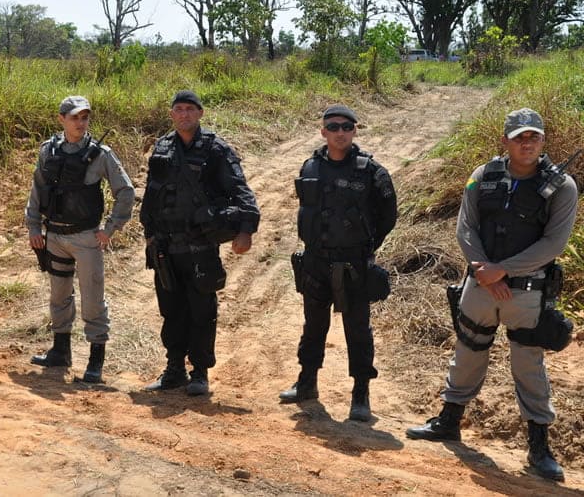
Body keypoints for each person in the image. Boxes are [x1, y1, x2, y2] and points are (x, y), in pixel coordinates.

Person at [406, 108, 577, 482]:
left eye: (533, 136)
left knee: (528, 365)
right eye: (519, 137)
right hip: (480, 284)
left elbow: (554, 243)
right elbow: (465, 225)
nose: (526, 142)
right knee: (467, 352)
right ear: (505, 141)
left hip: (526, 291)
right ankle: (448, 422)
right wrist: (483, 269)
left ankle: (539, 447)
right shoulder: (481, 177)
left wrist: (504, 270)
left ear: (543, 140)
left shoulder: (562, 187)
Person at [279, 104, 397, 422]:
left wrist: (367, 247)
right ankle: (306, 383)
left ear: (355, 131)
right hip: (316, 261)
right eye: (333, 127)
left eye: (347, 127)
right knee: (313, 326)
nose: (340, 132)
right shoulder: (310, 166)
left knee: (357, 330)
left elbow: (388, 215)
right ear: (323, 132)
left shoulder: (371, 171)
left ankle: (361, 394)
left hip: (354, 263)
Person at [140, 90, 260, 396]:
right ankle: (174, 369)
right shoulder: (163, 146)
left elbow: (240, 190)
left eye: (190, 109)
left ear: (200, 114)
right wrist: (149, 233)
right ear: (172, 115)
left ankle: (200, 372)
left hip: (199, 246)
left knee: (201, 310)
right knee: (171, 310)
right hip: (167, 246)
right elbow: (152, 195)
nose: (184, 114)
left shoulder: (216, 149)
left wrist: (245, 229)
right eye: (178, 109)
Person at [26, 96, 135, 383]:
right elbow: (37, 190)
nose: (80, 122)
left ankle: (95, 363)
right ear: (61, 119)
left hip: (87, 237)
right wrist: (34, 227)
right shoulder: (48, 151)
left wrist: (110, 229)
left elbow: (126, 191)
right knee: (59, 296)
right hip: (55, 235)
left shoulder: (101, 154)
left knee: (92, 299)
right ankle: (61, 352)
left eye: (85, 117)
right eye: (74, 117)